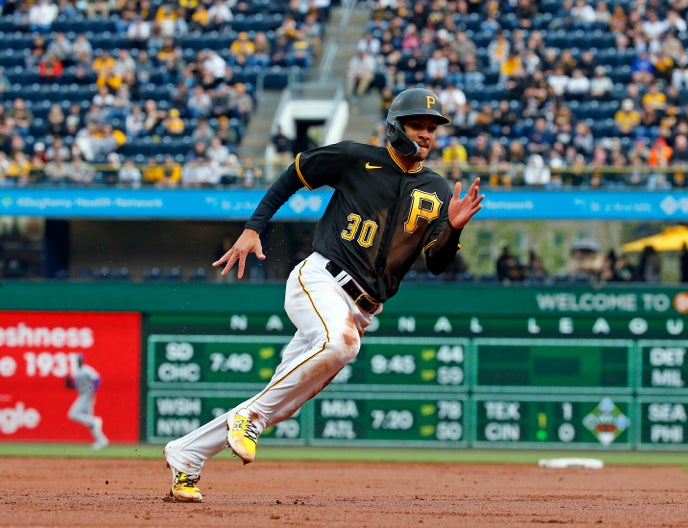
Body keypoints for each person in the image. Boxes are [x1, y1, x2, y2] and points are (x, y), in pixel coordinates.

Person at [163, 87, 485, 502]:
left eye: (433, 127)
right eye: (418, 125)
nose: (427, 133)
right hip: (321, 280)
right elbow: (293, 175)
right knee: (340, 346)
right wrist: (253, 228)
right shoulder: (357, 158)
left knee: (282, 401)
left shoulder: (438, 189)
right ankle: (249, 418)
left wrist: (454, 228)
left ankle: (186, 455)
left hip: (363, 308)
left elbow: (437, 263)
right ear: (395, 127)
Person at [65, 354, 108, 449]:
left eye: (80, 360)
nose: (79, 361)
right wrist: (69, 385)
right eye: (78, 360)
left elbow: (97, 379)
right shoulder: (77, 372)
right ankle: (101, 440)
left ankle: (94, 421)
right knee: (88, 420)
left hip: (87, 394)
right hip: (83, 394)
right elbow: (78, 386)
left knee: (72, 414)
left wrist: (93, 390)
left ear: (82, 360)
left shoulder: (86, 369)